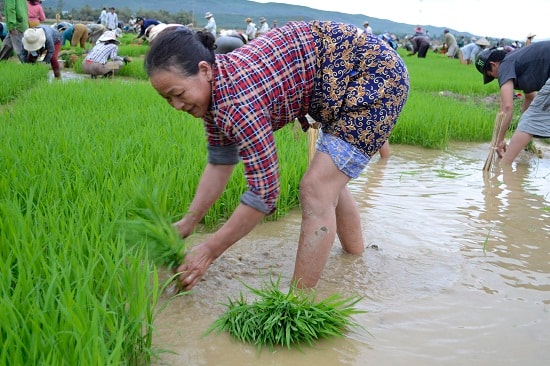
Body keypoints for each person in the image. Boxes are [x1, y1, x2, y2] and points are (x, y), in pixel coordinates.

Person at [144, 21, 410, 290]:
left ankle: (298, 303)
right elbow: (220, 162)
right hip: (344, 79)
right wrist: (189, 222)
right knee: (330, 185)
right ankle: (355, 262)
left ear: (204, 70)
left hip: (376, 79)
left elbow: (264, 193)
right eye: (167, 99)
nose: (176, 105)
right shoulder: (215, 92)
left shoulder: (237, 102)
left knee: (316, 188)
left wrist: (209, 250)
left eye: (178, 94)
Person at [475, 42, 550, 164]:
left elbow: (507, 107)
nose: (495, 78)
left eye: (491, 75)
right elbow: (530, 97)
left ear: (493, 64)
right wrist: (522, 134)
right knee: (528, 121)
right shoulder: (518, 60)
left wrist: (499, 140)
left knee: (530, 120)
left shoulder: (505, 65)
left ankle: (504, 165)